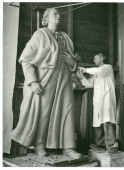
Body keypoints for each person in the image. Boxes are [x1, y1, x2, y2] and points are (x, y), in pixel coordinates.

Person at [11, 8, 82, 158]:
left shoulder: (65, 38)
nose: (58, 16)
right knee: (43, 114)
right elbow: (25, 60)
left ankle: (69, 148)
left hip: (64, 80)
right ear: (46, 18)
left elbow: (74, 61)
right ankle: (39, 145)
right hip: (47, 80)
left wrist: (72, 63)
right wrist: (33, 81)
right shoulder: (40, 35)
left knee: (68, 111)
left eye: (59, 14)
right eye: (55, 14)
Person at [79, 53, 118, 153]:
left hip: (107, 99)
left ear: (102, 58)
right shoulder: (96, 75)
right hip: (98, 101)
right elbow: (88, 84)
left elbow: (99, 71)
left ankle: (112, 145)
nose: (94, 60)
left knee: (107, 120)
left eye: (95, 58)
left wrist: (84, 69)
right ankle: (100, 144)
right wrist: (81, 76)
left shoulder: (107, 68)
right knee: (98, 122)